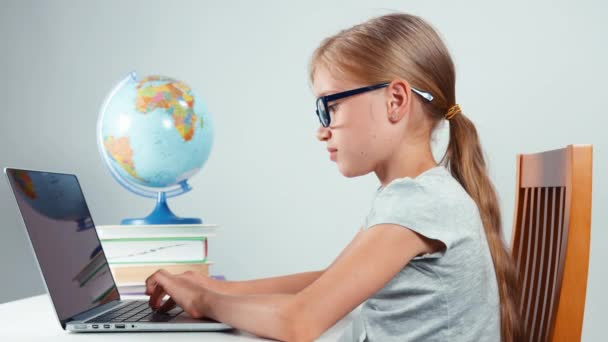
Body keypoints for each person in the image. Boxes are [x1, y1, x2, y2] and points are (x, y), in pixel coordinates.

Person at [145, 12, 522, 342]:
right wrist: (218, 288)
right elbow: (331, 281)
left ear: (395, 101)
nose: (321, 129)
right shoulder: (418, 195)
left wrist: (202, 300)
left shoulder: (419, 203)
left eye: (331, 106)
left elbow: (300, 321)